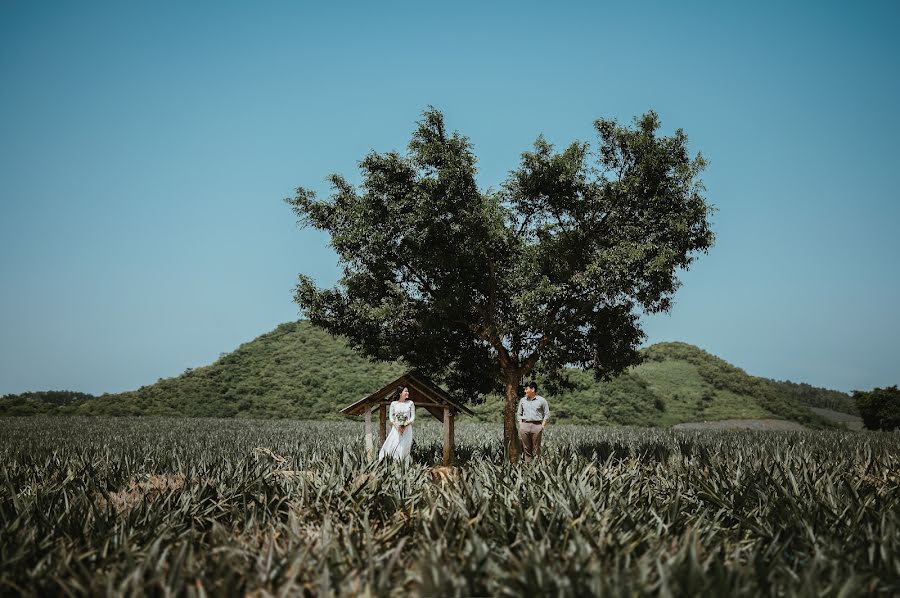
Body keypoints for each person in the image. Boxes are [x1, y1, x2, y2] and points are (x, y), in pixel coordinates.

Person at [378, 385, 416, 463]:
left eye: (407, 391)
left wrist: (405, 424)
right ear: (400, 393)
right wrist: (397, 426)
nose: (407, 393)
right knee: (394, 446)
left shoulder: (410, 403)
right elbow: (391, 418)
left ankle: (404, 466)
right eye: (405, 391)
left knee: (405, 448)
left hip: (407, 429)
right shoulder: (394, 404)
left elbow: (412, 418)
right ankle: (392, 464)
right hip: (396, 429)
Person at [517, 381, 550, 464]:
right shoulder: (522, 400)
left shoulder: (542, 400)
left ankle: (537, 466)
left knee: (536, 448)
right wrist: (521, 425)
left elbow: (547, 414)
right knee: (526, 448)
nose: (525, 391)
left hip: (537, 426)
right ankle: (528, 466)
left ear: (533, 389)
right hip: (525, 425)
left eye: (526, 389)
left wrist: (542, 426)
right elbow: (519, 413)